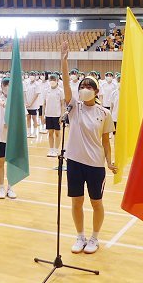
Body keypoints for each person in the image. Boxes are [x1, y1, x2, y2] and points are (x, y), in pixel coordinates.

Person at [60, 42, 117, 255]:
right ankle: (80, 236)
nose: (85, 89)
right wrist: (64, 62)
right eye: (83, 86)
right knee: (77, 201)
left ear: (96, 91)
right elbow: (66, 86)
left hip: (95, 165)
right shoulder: (74, 107)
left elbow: (106, 142)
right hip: (74, 161)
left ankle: (94, 237)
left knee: (96, 202)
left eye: (89, 86)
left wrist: (110, 162)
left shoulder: (104, 113)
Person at [0, 78, 17, 199]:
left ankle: (10, 187)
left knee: (12, 163)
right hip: (0, 135)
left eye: (9, 85)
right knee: (1, 162)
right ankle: (1, 187)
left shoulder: (17, 99)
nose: (7, 87)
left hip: (12, 136)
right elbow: (1, 104)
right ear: (2, 87)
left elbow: (22, 115)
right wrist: (6, 103)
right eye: (5, 85)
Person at [43, 73, 65, 157]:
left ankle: (56, 150)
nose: (52, 81)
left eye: (53, 80)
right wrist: (43, 115)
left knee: (57, 133)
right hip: (48, 115)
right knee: (50, 133)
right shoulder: (46, 90)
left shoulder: (60, 91)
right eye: (50, 80)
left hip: (57, 115)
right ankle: (51, 149)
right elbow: (44, 103)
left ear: (57, 80)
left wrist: (62, 115)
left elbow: (62, 104)